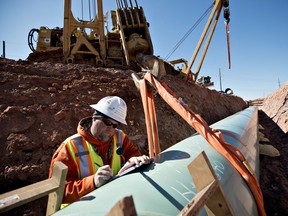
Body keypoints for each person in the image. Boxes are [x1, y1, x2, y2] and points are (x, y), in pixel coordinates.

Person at [49, 96, 150, 204]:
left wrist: (134, 159)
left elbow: (132, 153)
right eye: (107, 122)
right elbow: (58, 193)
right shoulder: (69, 148)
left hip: (111, 202)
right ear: (94, 118)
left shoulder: (120, 137)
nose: (110, 128)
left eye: (115, 125)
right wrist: (92, 182)